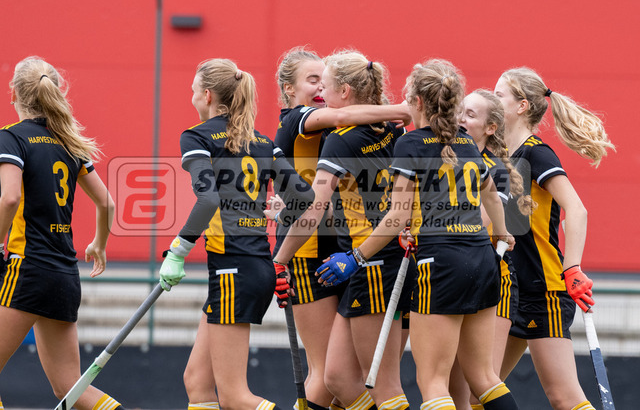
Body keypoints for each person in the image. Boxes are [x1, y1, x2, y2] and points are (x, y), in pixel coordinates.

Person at [317, 59, 520, 410]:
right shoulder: (466, 142)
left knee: (433, 383)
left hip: (440, 265)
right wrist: (502, 233)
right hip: (482, 258)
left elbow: (396, 216)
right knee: (484, 377)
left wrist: (356, 256)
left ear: (418, 102)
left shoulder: (410, 144)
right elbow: (489, 192)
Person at [157, 58, 314, 410]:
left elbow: (208, 199)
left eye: (193, 90)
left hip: (233, 269)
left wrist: (178, 251)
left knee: (234, 397)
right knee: (197, 383)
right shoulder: (262, 142)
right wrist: (281, 215)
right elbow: (304, 197)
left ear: (207, 95)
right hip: (255, 267)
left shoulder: (197, 136)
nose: (192, 97)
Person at [270, 46, 411, 410]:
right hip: (310, 254)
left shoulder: (347, 131)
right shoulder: (298, 119)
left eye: (324, 80)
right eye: (311, 80)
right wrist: (404, 111)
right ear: (288, 88)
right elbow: (343, 114)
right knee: (330, 376)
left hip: (348, 252)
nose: (320, 87)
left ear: (344, 87)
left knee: (339, 378)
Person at [0, 56, 121, 410]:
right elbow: (107, 203)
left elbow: (10, 198)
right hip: (64, 274)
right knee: (71, 387)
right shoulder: (68, 142)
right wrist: (99, 244)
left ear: (13, 94)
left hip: (27, 269)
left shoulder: (11, 137)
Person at [494, 67, 614, 410]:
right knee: (478, 390)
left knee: (563, 398)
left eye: (499, 94)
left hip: (541, 288)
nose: (491, 99)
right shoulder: (499, 154)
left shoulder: (537, 153)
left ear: (521, 106)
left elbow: (577, 211)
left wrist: (572, 267)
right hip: (508, 288)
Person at [449, 89, 532, 410]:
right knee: (454, 390)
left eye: (470, 115)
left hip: (491, 278)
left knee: (479, 386)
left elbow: (477, 223)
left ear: (490, 128)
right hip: (454, 275)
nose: (460, 119)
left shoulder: (495, 169)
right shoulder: (447, 158)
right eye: (459, 111)